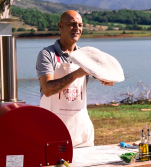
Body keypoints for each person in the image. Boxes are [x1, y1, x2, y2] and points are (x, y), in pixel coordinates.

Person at [36, 10, 113, 148]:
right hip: (52, 131)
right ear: (60, 26)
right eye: (72, 24)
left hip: (81, 131)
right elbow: (47, 89)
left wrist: (108, 79)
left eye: (80, 25)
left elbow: (106, 75)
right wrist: (77, 73)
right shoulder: (47, 54)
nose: (77, 28)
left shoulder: (86, 56)